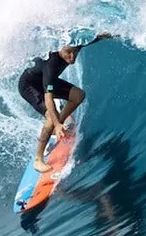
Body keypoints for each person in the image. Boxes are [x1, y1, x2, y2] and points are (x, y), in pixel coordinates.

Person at [18, 33, 113, 172]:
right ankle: (38, 159)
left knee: (78, 95)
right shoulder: (51, 64)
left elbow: (93, 38)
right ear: (60, 50)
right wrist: (56, 124)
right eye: (68, 53)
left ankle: (57, 129)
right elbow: (48, 98)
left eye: (75, 52)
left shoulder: (75, 45)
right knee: (51, 118)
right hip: (29, 86)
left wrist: (107, 35)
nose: (72, 57)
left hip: (44, 82)